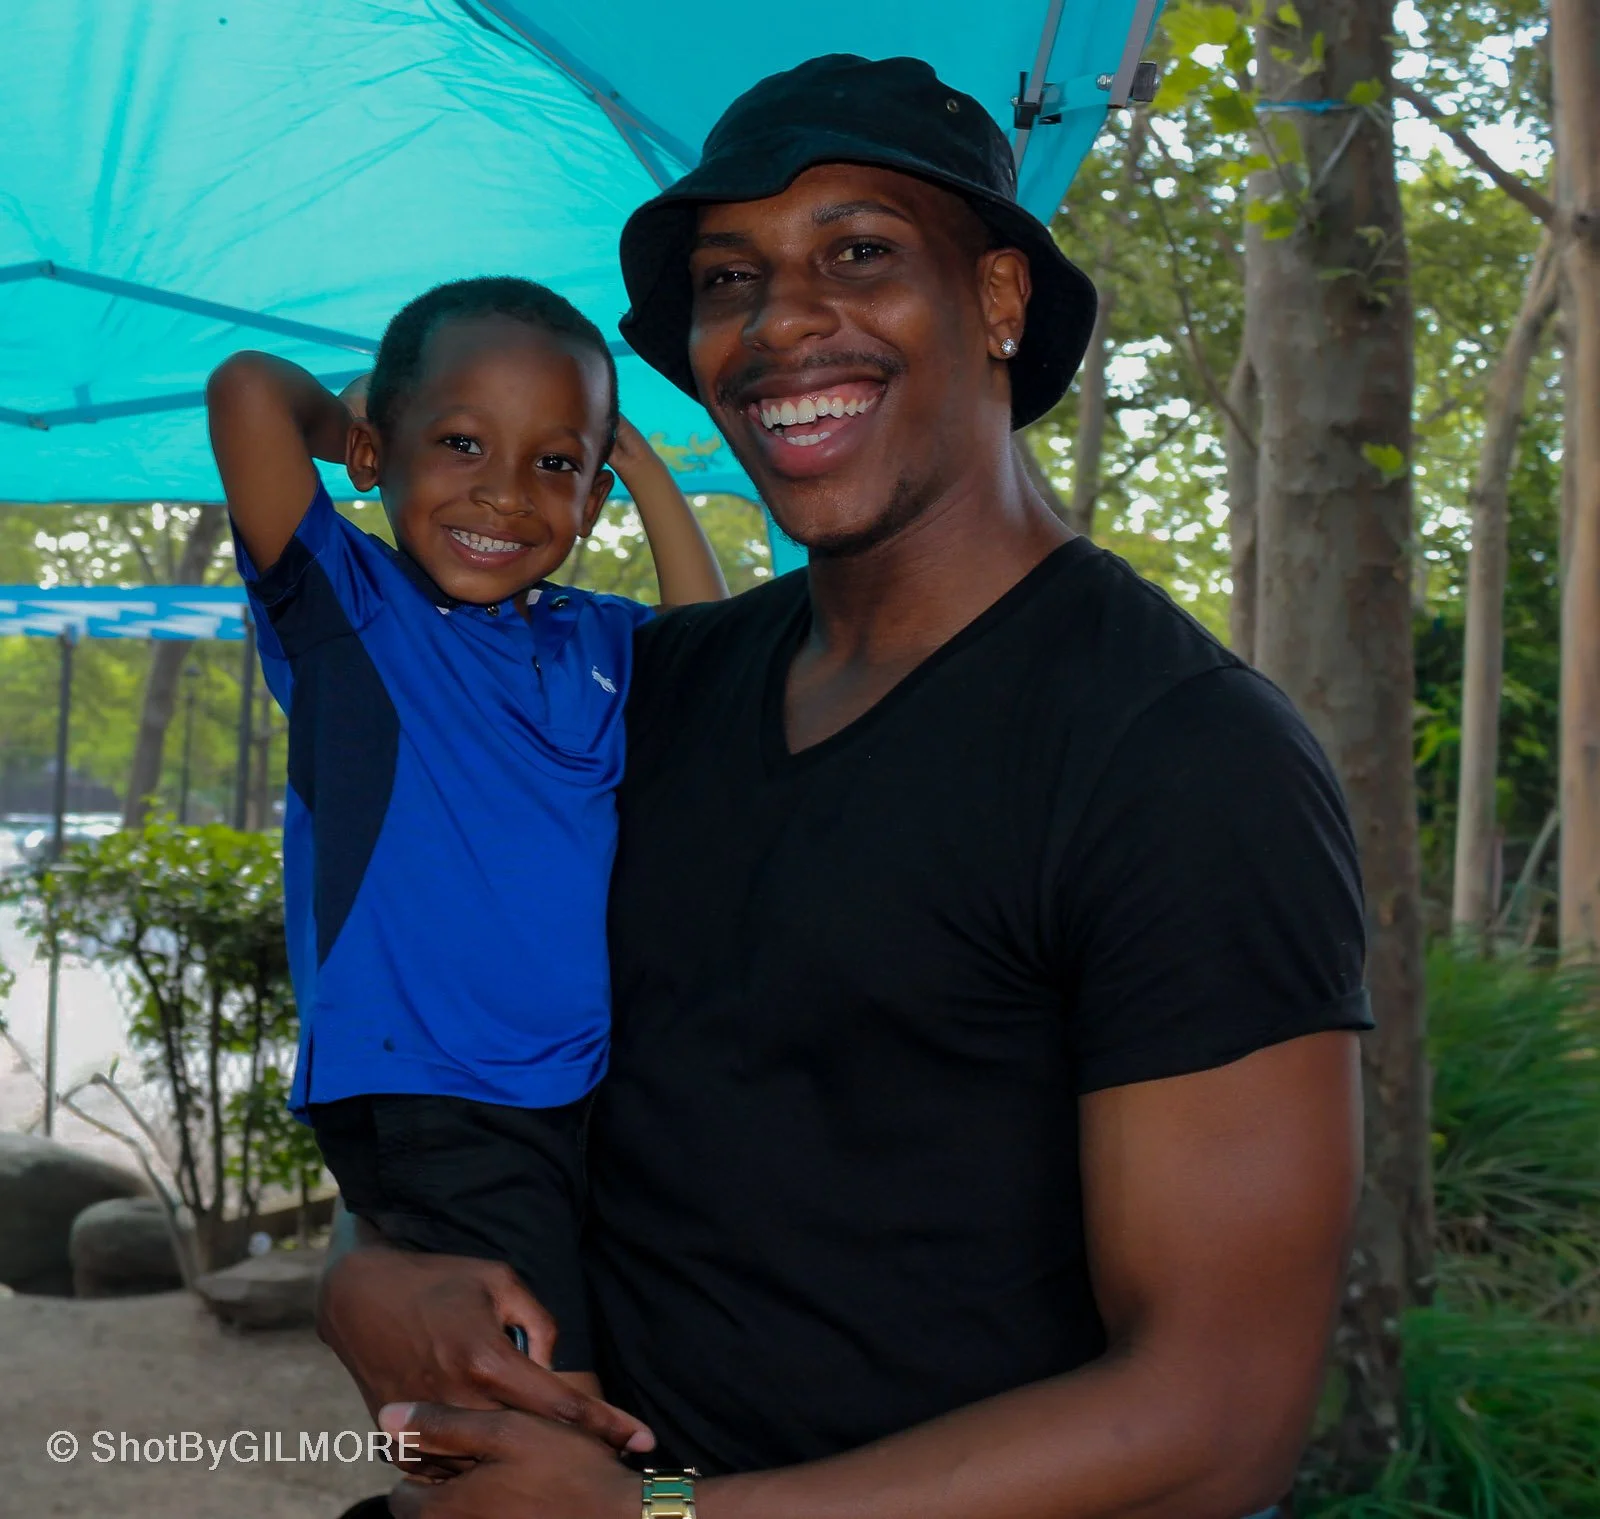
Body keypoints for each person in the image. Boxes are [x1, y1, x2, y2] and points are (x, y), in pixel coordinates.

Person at [319, 58, 1371, 1519]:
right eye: (730, 277)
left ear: (1000, 302)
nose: (779, 321)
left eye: (859, 254)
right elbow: (457, 1044)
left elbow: (1215, 1416)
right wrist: (363, 1269)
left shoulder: (1181, 755)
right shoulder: (656, 692)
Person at [207, 276, 726, 1423]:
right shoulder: (354, 614)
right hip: (435, 1088)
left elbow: (714, 649)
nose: (503, 491)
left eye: (553, 464)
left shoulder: (600, 640)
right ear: (375, 452)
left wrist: (640, 473)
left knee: (628, 1388)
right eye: (457, 442)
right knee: (554, 1414)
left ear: (589, 499)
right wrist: (344, 413)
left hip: (581, 1092)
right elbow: (246, 390)